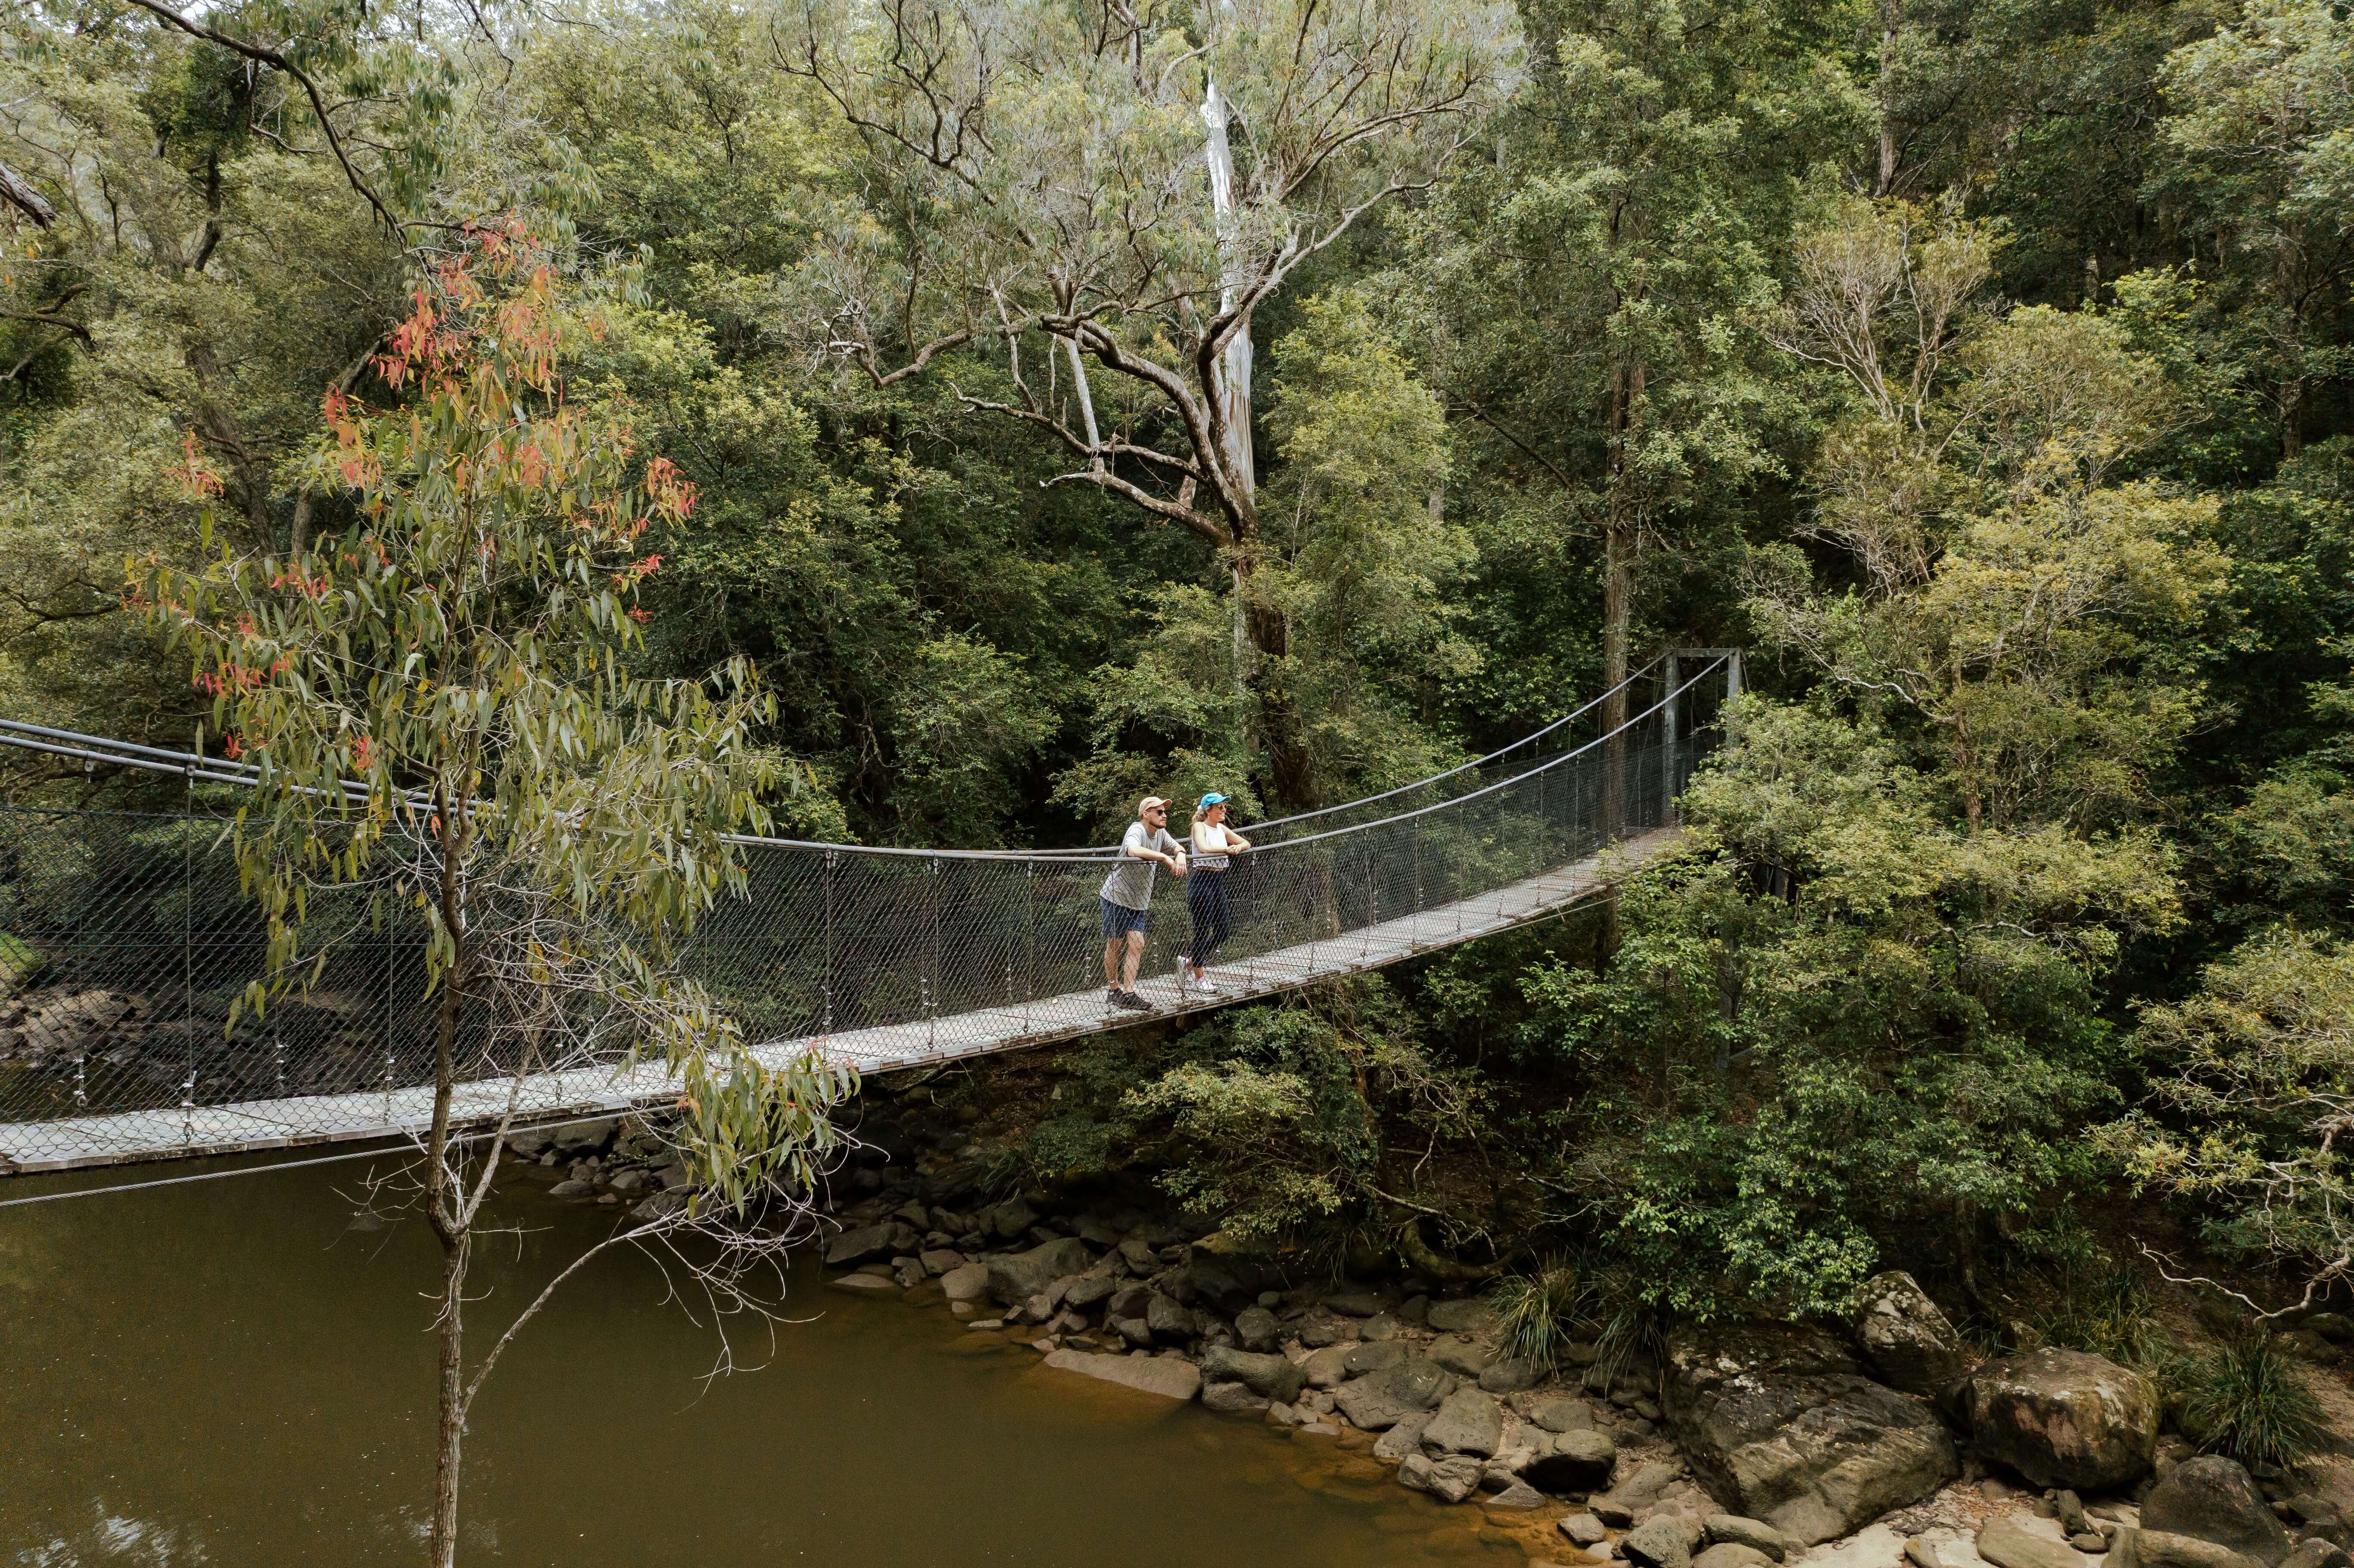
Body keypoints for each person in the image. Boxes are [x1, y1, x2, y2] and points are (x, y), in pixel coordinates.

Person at [1101, 795, 1185, 1011]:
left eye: (1165, 812)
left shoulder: (1161, 834)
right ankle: (1114, 990)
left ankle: (1128, 993)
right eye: (1159, 812)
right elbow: (1133, 850)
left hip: (1139, 901)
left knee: (1138, 944)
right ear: (1146, 814)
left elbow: (1177, 847)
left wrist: (1180, 855)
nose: (1164, 815)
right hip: (1116, 897)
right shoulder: (1137, 830)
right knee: (1115, 944)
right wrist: (1164, 858)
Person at [1178, 793, 1251, 994]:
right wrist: (1227, 850)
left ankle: (1191, 961)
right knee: (1202, 930)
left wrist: (1237, 847)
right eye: (1219, 807)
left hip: (1218, 882)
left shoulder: (1221, 828)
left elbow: (1246, 843)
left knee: (1223, 930)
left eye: (1224, 807)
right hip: (1201, 881)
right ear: (1208, 810)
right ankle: (1199, 977)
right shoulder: (1199, 827)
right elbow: (1203, 848)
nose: (1224, 810)